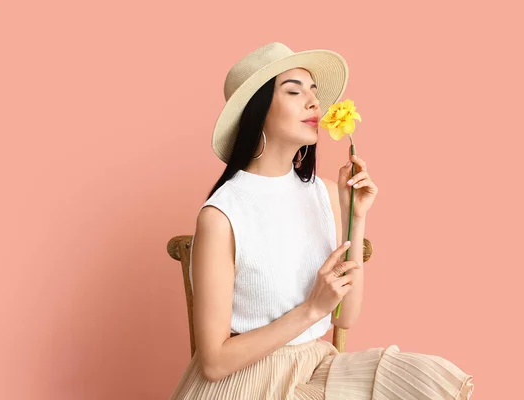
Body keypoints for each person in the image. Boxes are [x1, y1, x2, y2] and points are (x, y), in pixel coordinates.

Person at [169, 42, 474, 400]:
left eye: (314, 93)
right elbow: (214, 363)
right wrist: (311, 308)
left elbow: (345, 317)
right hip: (248, 382)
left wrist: (354, 218)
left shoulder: (325, 193)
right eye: (294, 92)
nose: (314, 103)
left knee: (425, 382)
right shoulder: (222, 215)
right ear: (257, 111)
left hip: (314, 368)